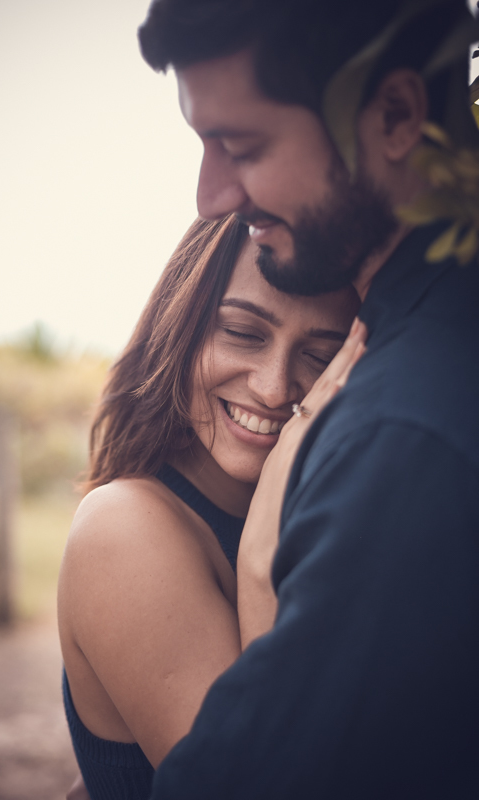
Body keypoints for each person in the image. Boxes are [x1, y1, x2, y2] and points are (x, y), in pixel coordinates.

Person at [138, 0, 479, 797]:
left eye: (242, 147)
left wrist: (261, 571)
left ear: (394, 115)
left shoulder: (401, 432)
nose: (211, 196)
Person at [58, 214, 362, 799]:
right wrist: (259, 564)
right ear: (184, 326)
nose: (273, 387)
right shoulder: (123, 527)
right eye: (243, 333)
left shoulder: (326, 522)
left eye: (321, 357)